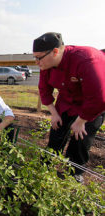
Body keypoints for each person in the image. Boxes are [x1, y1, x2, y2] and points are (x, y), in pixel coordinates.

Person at [33, 32, 105, 182]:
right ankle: (46, 166)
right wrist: (54, 113)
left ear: (55, 51)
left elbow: (99, 98)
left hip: (91, 105)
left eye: (38, 57)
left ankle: (74, 173)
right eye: (35, 57)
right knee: (56, 132)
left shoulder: (86, 59)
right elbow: (44, 90)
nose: (36, 62)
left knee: (81, 139)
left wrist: (80, 122)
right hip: (66, 102)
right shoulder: (46, 64)